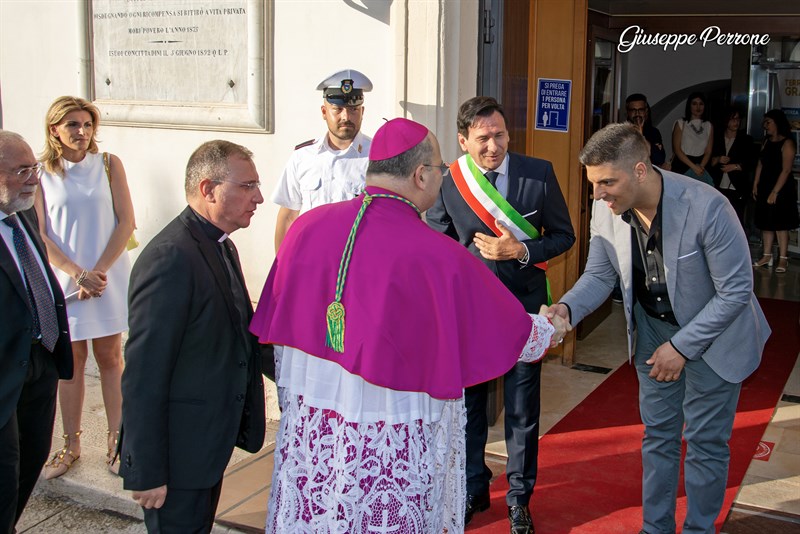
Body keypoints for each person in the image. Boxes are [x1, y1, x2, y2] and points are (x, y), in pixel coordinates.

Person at [250, 117, 569, 534]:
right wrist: (550, 325)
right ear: (421, 175)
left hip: (321, 422)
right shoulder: (436, 254)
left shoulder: (306, 227)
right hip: (390, 422)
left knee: (325, 503)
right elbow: (505, 329)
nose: (443, 176)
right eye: (439, 169)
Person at [547, 123, 771, 534]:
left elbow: (736, 291)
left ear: (640, 170)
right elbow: (600, 275)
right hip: (653, 329)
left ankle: (700, 529)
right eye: (594, 184)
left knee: (705, 443)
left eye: (607, 182)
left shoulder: (707, 207)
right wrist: (565, 308)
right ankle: (656, 528)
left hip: (714, 334)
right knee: (658, 436)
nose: (597, 194)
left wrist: (683, 347)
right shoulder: (605, 208)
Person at [426, 96, 575, 533]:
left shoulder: (538, 173)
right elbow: (438, 243)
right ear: (463, 140)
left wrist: (522, 250)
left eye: (500, 135)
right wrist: (467, 259)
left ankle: (519, 498)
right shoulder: (451, 180)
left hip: (524, 311)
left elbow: (564, 236)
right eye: (483, 138)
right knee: (470, 404)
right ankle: (474, 486)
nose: (493, 146)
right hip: (471, 312)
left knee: (522, 409)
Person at [119, 140, 266, 533]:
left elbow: (243, 335)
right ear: (208, 189)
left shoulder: (222, 246)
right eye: (247, 186)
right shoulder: (170, 258)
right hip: (177, 456)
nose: (260, 197)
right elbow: (143, 372)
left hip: (205, 447)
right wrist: (146, 469)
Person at [33, 96, 134, 479]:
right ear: (54, 129)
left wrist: (99, 272)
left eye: (87, 124)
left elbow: (126, 222)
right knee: (70, 364)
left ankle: (117, 442)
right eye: (73, 124)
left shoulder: (108, 165)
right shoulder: (42, 173)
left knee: (110, 358)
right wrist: (78, 275)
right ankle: (70, 445)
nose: (82, 131)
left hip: (106, 279)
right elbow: (40, 234)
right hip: (66, 283)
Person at [0, 130, 73, 532]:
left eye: (35, 168)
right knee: (5, 473)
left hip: (40, 360)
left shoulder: (23, 211)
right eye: (21, 171)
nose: (33, 179)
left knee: (30, 460)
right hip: (4, 371)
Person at [271, 68, 373, 251]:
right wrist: (281, 268)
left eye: (353, 109)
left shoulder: (377, 157)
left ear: (362, 111)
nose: (346, 117)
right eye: (337, 109)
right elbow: (288, 216)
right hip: (310, 258)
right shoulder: (303, 157)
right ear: (324, 112)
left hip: (357, 262)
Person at [752, 109, 799, 273]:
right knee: (766, 223)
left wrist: (775, 192)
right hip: (765, 184)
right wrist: (756, 182)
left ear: (777, 123)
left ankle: (783, 258)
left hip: (781, 188)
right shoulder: (766, 141)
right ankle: (766, 255)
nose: (766, 126)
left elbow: (786, 170)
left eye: (768, 122)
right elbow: (760, 162)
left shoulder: (788, 143)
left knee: (780, 223)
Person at [709, 107, 755, 226]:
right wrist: (718, 159)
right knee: (718, 219)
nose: (736, 122)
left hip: (737, 186)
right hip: (718, 184)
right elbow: (709, 160)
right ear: (726, 120)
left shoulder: (746, 140)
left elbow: (751, 162)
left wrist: (734, 166)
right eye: (733, 119)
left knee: (736, 219)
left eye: (738, 119)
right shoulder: (716, 138)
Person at [670, 92, 714, 185]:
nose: (698, 107)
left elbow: (708, 151)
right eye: (694, 104)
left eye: (701, 104)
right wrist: (693, 167)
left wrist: (700, 167)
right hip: (683, 164)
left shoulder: (708, 125)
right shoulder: (681, 123)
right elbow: (677, 149)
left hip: (701, 165)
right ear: (689, 106)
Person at [625, 93, 666, 166]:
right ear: (628, 112)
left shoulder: (653, 132)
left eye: (640, 110)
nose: (637, 113)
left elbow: (659, 159)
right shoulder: (621, 132)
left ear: (646, 111)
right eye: (633, 110)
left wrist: (641, 137)